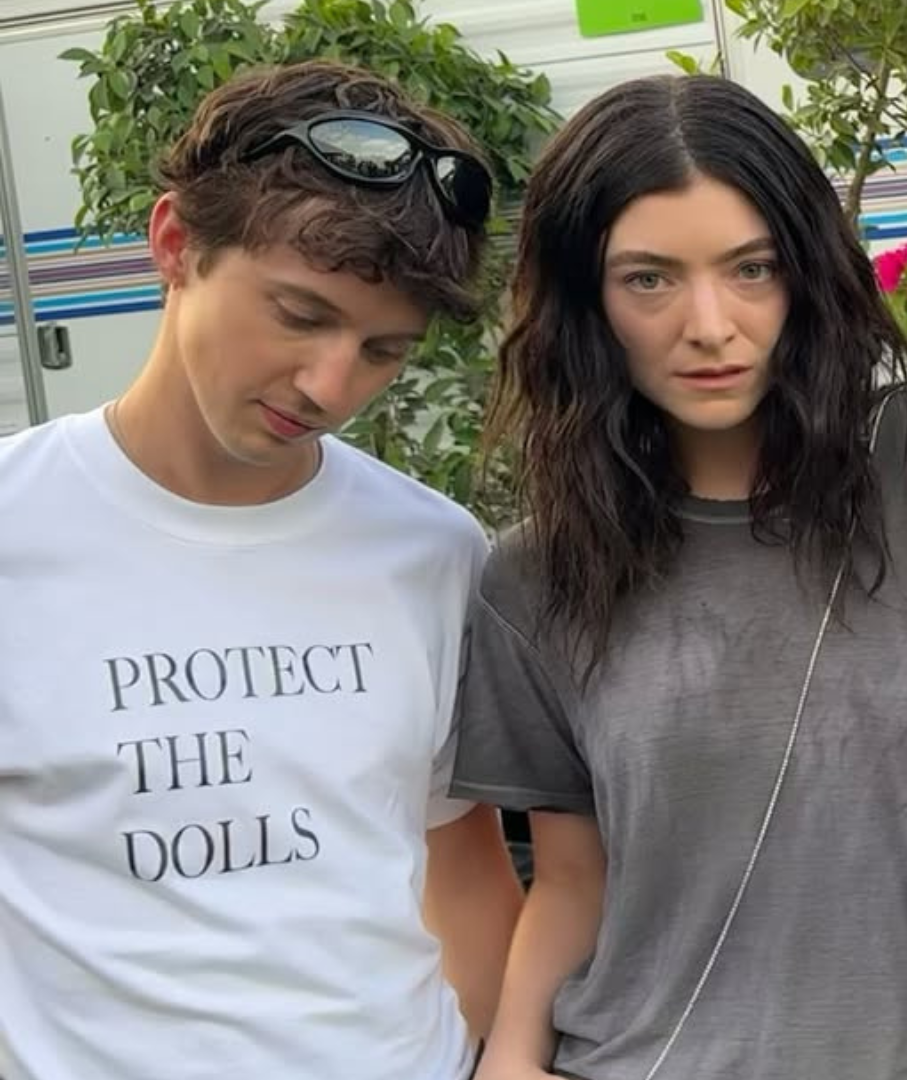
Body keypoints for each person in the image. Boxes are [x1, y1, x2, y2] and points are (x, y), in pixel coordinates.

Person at [450, 73, 907, 1080]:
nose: (709, 324)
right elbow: (574, 878)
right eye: (649, 280)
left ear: (805, 271)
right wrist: (509, 1062)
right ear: (586, 301)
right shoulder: (536, 575)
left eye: (750, 268)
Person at [0, 60, 524, 1080]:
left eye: (383, 350)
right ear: (174, 244)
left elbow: (465, 877)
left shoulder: (432, 550)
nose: (331, 385)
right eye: (299, 315)